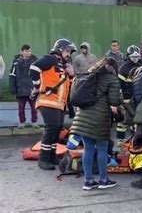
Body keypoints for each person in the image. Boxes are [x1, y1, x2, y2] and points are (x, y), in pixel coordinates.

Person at [70, 58, 121, 190]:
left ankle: (88, 181)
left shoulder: (89, 76)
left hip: (82, 117)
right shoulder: (111, 79)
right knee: (102, 148)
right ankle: (103, 180)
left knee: (88, 148)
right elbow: (114, 101)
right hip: (100, 118)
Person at [30, 39, 76, 170]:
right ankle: (43, 159)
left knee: (57, 129)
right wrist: (37, 86)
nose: (69, 54)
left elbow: (69, 85)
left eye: (70, 52)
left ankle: (52, 156)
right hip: (48, 101)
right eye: (67, 51)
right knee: (51, 128)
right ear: (60, 49)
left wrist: (72, 74)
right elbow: (33, 68)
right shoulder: (50, 59)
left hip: (60, 104)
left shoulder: (63, 65)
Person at [116, 45, 142, 140]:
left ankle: (133, 139)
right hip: (127, 97)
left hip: (138, 96)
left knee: (136, 119)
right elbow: (120, 85)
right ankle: (120, 139)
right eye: (133, 57)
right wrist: (124, 98)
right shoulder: (123, 68)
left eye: (137, 57)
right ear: (128, 56)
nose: (135, 59)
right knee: (124, 119)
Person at [9, 44, 38, 128]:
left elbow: (39, 74)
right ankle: (22, 123)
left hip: (31, 89)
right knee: (21, 108)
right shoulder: (16, 63)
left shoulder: (35, 62)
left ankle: (34, 122)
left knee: (34, 108)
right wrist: (13, 88)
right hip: (20, 89)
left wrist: (38, 87)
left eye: (29, 51)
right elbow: (12, 76)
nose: (28, 53)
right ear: (22, 52)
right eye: (26, 51)